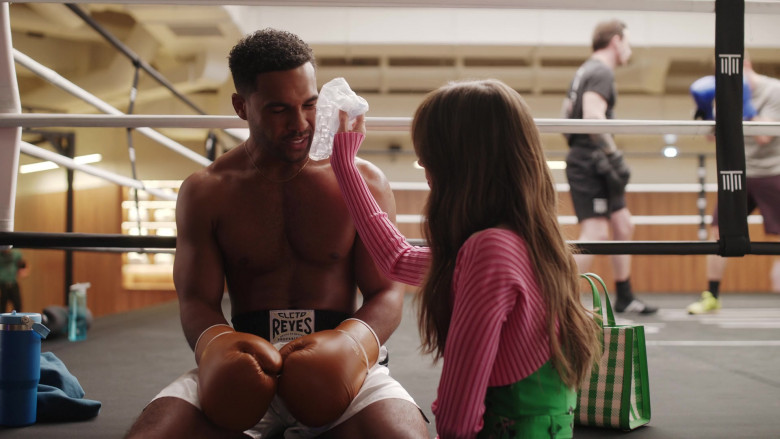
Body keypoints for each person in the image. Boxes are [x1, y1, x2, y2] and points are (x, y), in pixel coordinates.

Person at [125, 28, 429, 439]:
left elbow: (387, 292)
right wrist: (217, 348)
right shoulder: (207, 190)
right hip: (243, 366)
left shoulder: (361, 182)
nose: (300, 123)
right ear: (240, 106)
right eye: (278, 109)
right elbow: (197, 299)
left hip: (347, 365)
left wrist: (355, 345)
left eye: (310, 104)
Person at [330, 79, 602, 438]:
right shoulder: (526, 242)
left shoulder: (489, 252)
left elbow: (459, 414)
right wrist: (345, 164)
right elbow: (397, 258)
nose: (426, 176)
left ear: (459, 166)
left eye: (429, 160)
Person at [561, 19, 657, 314]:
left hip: (593, 159)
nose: (629, 49)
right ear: (616, 41)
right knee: (596, 232)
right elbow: (592, 117)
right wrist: (613, 155)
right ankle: (560, 300)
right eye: (627, 41)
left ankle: (625, 295)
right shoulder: (601, 70)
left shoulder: (584, 70)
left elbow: (566, 116)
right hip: (592, 160)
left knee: (623, 225)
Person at [688, 56, 780, 314]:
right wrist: (707, 111)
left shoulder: (774, 90)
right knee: (719, 231)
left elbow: (763, 136)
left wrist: (745, 105)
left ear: (746, 63)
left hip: (773, 171)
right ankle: (712, 295)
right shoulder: (725, 91)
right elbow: (710, 137)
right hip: (738, 173)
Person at [0, 248, 28, 312]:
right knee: (2, 307)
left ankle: (14, 320)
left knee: (18, 305)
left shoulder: (16, 253)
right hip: (2, 284)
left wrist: (24, 271)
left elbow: (22, 265)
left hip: (13, 283)